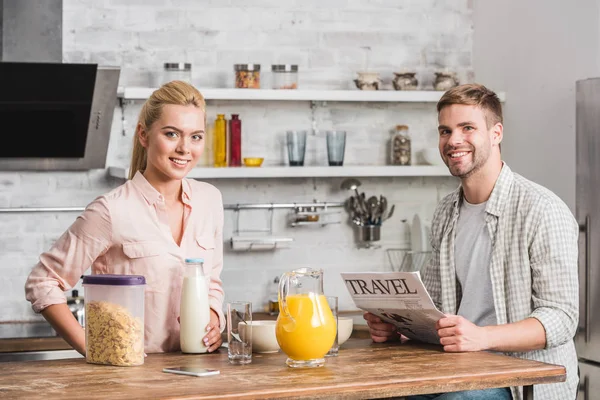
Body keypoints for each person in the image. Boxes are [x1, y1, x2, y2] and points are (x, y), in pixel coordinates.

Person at [364, 84, 578, 400]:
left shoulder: (542, 209)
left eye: (467, 128)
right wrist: (400, 327)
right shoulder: (446, 212)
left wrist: (481, 337)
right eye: (445, 131)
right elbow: (435, 309)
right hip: (458, 370)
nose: (453, 140)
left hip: (519, 381)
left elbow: (562, 318)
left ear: (496, 134)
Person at [25, 80, 225, 354]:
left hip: (200, 370)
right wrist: (93, 348)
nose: (184, 148)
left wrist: (214, 318)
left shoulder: (209, 200)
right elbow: (42, 281)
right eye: (171, 134)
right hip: (129, 377)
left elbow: (212, 281)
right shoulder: (111, 211)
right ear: (144, 135)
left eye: (196, 136)